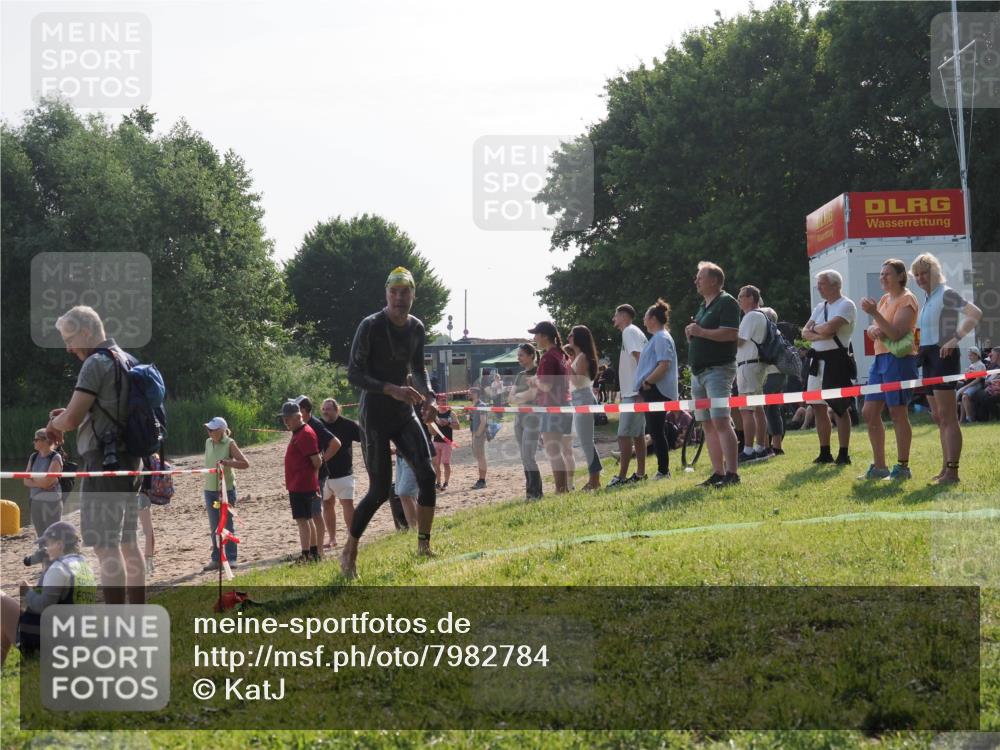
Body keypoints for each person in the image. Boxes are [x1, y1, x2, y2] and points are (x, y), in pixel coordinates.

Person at [340, 267, 438, 578]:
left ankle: (423, 545)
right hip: (375, 416)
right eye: (393, 292)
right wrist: (391, 389)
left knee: (427, 475)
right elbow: (354, 374)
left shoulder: (416, 327)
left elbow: (418, 369)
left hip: (403, 413)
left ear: (413, 295)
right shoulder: (370, 325)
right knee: (380, 490)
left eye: (404, 292)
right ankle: (350, 550)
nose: (399, 298)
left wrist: (430, 397)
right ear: (386, 294)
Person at [46, 305, 144, 604]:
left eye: (70, 339)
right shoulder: (126, 359)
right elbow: (106, 409)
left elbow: (72, 419)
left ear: (86, 331)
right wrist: (69, 416)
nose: (68, 348)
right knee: (128, 543)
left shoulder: (95, 363)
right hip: (131, 461)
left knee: (105, 546)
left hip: (103, 463)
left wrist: (53, 424)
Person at [911, 253, 984, 484]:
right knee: (938, 417)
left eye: (924, 273)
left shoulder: (946, 293)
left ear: (935, 272)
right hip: (928, 358)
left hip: (944, 356)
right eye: (917, 275)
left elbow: (975, 313)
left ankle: (953, 472)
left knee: (948, 417)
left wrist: (955, 338)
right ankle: (945, 469)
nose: (920, 278)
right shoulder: (928, 298)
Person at [857, 259, 920, 480]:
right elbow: (881, 329)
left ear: (901, 276)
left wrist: (875, 315)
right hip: (880, 359)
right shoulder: (885, 299)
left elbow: (895, 334)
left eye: (888, 274)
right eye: (881, 274)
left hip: (899, 360)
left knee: (897, 412)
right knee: (869, 412)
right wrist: (872, 329)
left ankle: (903, 467)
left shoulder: (907, 299)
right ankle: (879, 466)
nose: (882, 277)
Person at [2, 522, 95, 664]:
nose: (46, 549)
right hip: (76, 642)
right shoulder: (85, 568)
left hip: (49, 646)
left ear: (60, 544)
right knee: (5, 619)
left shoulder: (58, 568)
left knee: (1, 601)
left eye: (48, 544)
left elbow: (44, 607)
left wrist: (28, 592)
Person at [685, 262, 741, 488]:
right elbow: (705, 334)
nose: (696, 281)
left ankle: (732, 473)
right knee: (707, 423)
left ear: (714, 280)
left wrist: (700, 331)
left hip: (718, 370)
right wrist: (693, 334)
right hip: (698, 372)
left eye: (700, 277)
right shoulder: (704, 305)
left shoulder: (727, 302)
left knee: (720, 420)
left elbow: (730, 334)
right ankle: (718, 472)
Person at [802, 270, 857, 468]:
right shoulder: (820, 307)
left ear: (835, 285)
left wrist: (817, 330)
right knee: (817, 406)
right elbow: (804, 332)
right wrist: (820, 332)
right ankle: (824, 452)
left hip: (836, 360)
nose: (818, 287)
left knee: (840, 407)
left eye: (822, 284)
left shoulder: (846, 305)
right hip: (817, 361)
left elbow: (829, 329)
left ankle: (843, 453)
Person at [529, 321, 576, 493]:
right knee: (560, 451)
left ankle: (560, 490)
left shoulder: (548, 357)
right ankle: (563, 489)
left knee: (554, 452)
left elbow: (546, 386)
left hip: (552, 407)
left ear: (544, 336)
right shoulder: (561, 355)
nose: (534, 338)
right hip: (564, 405)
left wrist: (534, 381)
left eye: (536, 334)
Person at [636, 299, 680, 480]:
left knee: (656, 431)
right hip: (653, 389)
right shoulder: (658, 337)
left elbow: (664, 365)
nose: (643, 320)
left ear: (653, 319)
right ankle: (663, 469)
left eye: (645, 317)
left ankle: (663, 470)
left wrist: (647, 382)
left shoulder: (661, 337)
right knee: (655, 431)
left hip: (656, 390)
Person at [202, 417, 250, 571]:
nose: (209, 432)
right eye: (208, 429)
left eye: (212, 429)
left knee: (227, 524)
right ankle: (216, 558)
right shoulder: (208, 442)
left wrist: (228, 463)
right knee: (214, 526)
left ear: (222, 430)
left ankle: (231, 558)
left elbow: (245, 463)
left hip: (226, 490)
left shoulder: (230, 443)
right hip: (209, 490)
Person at [295, 396, 341, 550]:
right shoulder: (301, 425)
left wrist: (321, 460)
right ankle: (312, 547)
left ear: (303, 410)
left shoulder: (315, 425)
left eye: (296, 408)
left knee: (315, 513)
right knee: (308, 514)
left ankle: (319, 550)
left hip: (317, 476)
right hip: (306, 476)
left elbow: (335, 443)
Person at [609, 304, 648, 487]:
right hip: (635, 391)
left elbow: (640, 358)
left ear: (624, 316)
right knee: (638, 435)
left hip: (634, 392)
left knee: (623, 435)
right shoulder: (635, 331)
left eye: (615, 315)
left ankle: (622, 477)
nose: (613, 319)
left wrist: (640, 388)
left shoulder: (629, 331)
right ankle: (640, 474)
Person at [281, 400, 323, 563]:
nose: (286, 421)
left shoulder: (305, 433)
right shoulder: (299, 432)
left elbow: (317, 461)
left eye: (288, 418)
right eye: (284, 418)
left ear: (298, 416)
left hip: (302, 485)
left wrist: (312, 480)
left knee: (302, 521)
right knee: (307, 519)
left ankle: (307, 555)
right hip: (300, 484)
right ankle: (313, 554)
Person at [735, 286, 772, 464]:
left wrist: (723, 334)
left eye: (741, 297)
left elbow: (739, 341)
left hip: (748, 365)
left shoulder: (750, 316)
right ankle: (760, 447)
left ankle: (748, 450)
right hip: (756, 365)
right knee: (757, 409)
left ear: (751, 298)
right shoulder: (762, 315)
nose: (739, 300)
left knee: (746, 410)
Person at [319, 398, 362, 548]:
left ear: (337, 410)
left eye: (328, 409)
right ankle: (332, 538)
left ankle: (352, 537)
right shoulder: (319, 425)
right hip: (324, 474)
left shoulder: (348, 425)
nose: (325, 412)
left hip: (344, 473)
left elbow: (364, 438)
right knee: (327, 505)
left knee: (347, 504)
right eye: (323, 409)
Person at [568, 325, 603, 490]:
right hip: (578, 400)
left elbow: (578, 382)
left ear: (579, 338)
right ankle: (594, 478)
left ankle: (594, 480)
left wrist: (567, 367)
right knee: (585, 442)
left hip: (583, 399)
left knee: (586, 442)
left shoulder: (582, 357)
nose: (568, 337)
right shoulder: (579, 356)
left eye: (571, 334)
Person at [510, 343, 543, 499]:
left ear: (531, 355)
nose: (519, 358)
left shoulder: (538, 372)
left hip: (533, 417)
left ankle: (536, 492)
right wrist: (522, 397)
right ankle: (530, 492)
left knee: (529, 456)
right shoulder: (520, 375)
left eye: (521, 355)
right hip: (519, 417)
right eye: (518, 355)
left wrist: (519, 397)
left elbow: (533, 395)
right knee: (524, 457)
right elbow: (510, 398)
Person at [24, 429, 64, 537]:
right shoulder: (33, 456)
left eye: (36, 439)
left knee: (53, 534)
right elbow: (25, 481)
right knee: (40, 534)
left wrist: (33, 478)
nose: (34, 442)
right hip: (34, 500)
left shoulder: (55, 457)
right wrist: (41, 482)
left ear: (45, 441)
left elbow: (47, 482)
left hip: (51, 501)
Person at [761, 308, 788, 456]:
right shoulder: (778, 333)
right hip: (780, 375)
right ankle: (777, 445)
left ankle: (765, 446)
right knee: (773, 410)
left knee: (763, 410)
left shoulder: (766, 333)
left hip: (769, 375)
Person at [431, 393, 460, 490]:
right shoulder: (435, 413)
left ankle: (446, 483)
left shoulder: (451, 413)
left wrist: (448, 423)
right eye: (442, 400)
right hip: (436, 442)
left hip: (447, 443)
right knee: (436, 464)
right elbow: (430, 427)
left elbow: (458, 427)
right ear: (438, 402)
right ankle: (438, 482)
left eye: (445, 400)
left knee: (446, 463)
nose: (444, 402)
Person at [968, 349, 1000, 421]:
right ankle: (980, 419)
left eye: (992, 355)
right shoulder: (993, 365)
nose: (990, 356)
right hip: (991, 388)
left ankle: (997, 416)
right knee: (978, 395)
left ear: (998, 355)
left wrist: (993, 383)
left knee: (984, 397)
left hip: (996, 390)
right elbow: (986, 378)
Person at [957, 348, 987, 423]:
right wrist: (966, 376)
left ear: (977, 355)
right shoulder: (971, 365)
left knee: (965, 395)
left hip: (978, 384)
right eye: (969, 355)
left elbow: (978, 380)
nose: (969, 357)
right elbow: (967, 379)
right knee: (962, 396)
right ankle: (962, 420)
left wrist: (965, 387)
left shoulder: (980, 365)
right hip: (971, 384)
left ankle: (969, 419)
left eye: (971, 355)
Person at [468, 386, 489, 488]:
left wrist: (478, 433)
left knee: (481, 457)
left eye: (470, 393)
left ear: (476, 394)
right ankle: (481, 479)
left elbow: (483, 421)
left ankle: (482, 480)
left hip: (478, 434)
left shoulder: (482, 405)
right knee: (478, 456)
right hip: (475, 433)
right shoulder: (474, 405)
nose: (469, 394)